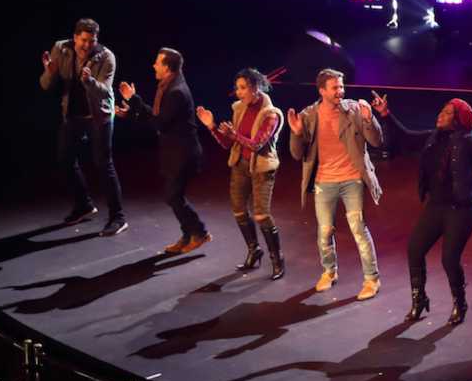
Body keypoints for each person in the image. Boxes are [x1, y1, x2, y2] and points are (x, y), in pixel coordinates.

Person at [371, 92, 472, 324]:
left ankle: (460, 303)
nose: (441, 115)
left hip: (461, 210)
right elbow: (405, 138)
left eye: (448, 113)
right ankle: (419, 300)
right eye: (442, 110)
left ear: (458, 119)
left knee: (449, 259)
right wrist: (386, 115)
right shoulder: (432, 137)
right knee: (414, 249)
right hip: (436, 206)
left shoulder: (469, 141)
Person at [288, 69, 383, 300]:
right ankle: (329, 272)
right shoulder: (309, 115)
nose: (340, 91)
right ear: (322, 91)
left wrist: (370, 119)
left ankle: (372, 279)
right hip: (324, 181)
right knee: (324, 232)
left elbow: (376, 141)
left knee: (358, 229)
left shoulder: (354, 110)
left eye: (342, 86)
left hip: (352, 179)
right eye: (335, 87)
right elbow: (296, 154)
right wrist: (297, 134)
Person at [40, 17, 127, 235]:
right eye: (84, 40)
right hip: (73, 115)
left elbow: (105, 91)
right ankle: (84, 204)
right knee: (65, 160)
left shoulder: (106, 57)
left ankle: (118, 217)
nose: (87, 45)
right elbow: (44, 85)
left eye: (92, 40)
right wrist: (50, 72)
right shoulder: (61, 48)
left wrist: (88, 82)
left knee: (103, 163)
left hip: (99, 116)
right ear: (75, 36)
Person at [196, 68, 285, 279]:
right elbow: (228, 143)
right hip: (240, 165)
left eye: (243, 88)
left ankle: (277, 259)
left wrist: (234, 135)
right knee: (238, 210)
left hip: (262, 167)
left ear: (255, 88)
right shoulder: (239, 109)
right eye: (237, 88)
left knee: (261, 214)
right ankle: (254, 250)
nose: (239, 92)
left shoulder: (270, 114)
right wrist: (212, 127)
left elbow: (257, 145)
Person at [119, 48, 208, 254]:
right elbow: (159, 119)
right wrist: (132, 112)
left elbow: (159, 123)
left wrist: (134, 100)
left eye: (157, 62)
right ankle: (187, 236)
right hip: (174, 152)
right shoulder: (169, 86)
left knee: (173, 196)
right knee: (174, 196)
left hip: (183, 153)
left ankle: (200, 232)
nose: (153, 66)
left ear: (167, 67)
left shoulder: (176, 91)